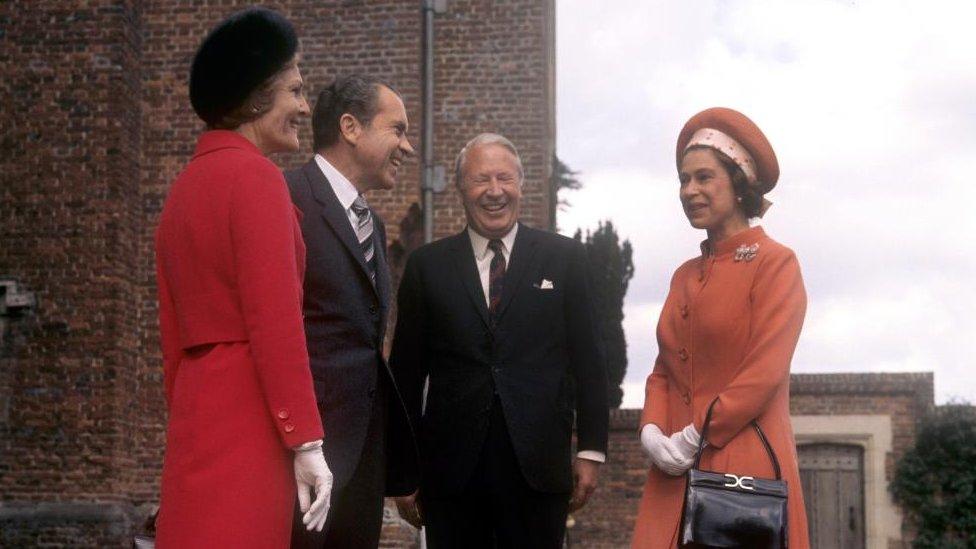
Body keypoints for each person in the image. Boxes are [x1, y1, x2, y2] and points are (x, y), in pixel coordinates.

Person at [154, 8, 332, 548]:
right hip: (250, 414)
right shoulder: (257, 179)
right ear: (257, 98)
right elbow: (276, 323)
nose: (304, 106)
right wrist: (306, 442)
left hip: (195, 410)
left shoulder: (184, 188)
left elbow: (171, 337)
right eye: (295, 91)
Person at [390, 133, 609, 548]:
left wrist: (592, 450)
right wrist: (404, 470)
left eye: (504, 178)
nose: (494, 191)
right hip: (451, 476)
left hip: (538, 471)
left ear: (521, 185)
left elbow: (589, 362)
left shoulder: (565, 259)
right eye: (480, 180)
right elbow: (405, 375)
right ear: (459, 189)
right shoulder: (426, 267)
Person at [631, 107, 809, 548]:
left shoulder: (775, 263)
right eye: (683, 179)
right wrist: (651, 431)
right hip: (673, 467)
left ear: (739, 181)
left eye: (704, 177)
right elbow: (662, 370)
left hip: (744, 466)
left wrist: (698, 435)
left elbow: (763, 372)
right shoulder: (683, 275)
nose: (689, 190)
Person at [285, 74, 419, 549]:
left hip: (363, 465)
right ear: (350, 127)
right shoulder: (287, 199)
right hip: (303, 462)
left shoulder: (374, 225)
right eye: (397, 130)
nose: (407, 147)